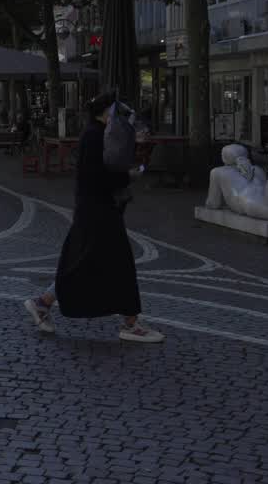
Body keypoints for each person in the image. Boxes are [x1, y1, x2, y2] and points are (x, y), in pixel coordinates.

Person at [25, 92, 164, 343]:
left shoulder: (96, 134)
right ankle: (131, 324)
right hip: (98, 210)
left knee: (86, 262)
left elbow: (104, 168)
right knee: (115, 263)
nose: (121, 116)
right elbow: (100, 175)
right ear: (107, 112)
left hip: (94, 209)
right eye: (117, 111)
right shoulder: (95, 136)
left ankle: (42, 303)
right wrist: (131, 175)